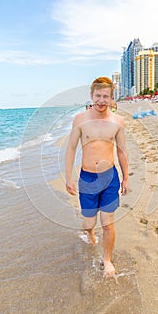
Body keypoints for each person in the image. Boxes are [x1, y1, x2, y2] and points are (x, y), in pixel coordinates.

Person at [65, 77, 129, 278]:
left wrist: (126, 178)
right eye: (98, 96)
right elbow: (71, 148)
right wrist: (69, 177)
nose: (102, 100)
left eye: (106, 96)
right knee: (89, 222)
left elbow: (121, 151)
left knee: (108, 223)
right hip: (88, 180)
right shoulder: (80, 120)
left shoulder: (118, 122)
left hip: (110, 178)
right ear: (92, 96)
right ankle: (90, 233)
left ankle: (107, 259)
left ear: (112, 98)